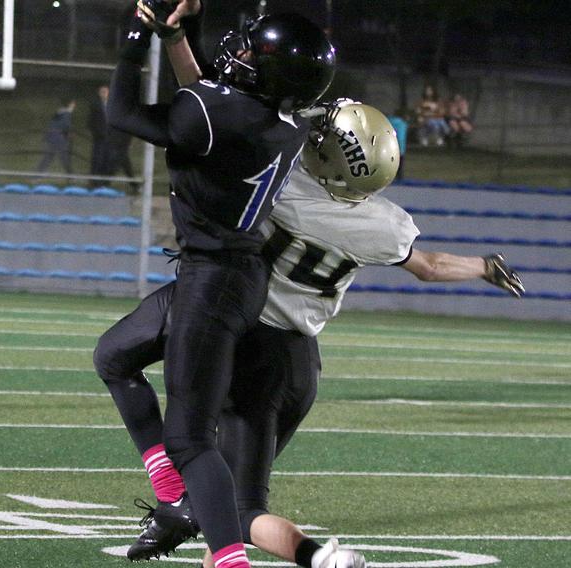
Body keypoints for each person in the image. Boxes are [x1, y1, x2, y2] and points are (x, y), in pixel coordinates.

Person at [95, 99, 525, 568]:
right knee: (239, 513)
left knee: (117, 361)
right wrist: (484, 266)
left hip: (222, 311)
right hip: (292, 362)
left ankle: (175, 493)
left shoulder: (286, 187)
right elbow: (430, 266)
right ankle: (320, 558)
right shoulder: (385, 224)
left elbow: (230, 138)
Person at [105, 2, 336, 567]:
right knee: (113, 354)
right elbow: (210, 92)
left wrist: (138, 34)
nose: (243, 52)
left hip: (213, 284)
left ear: (271, 73)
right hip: (227, 274)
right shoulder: (283, 123)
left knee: (190, 440)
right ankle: (166, 484)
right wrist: (183, 32)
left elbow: (122, 113)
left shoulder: (218, 114)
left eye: (255, 51)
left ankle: (228, 558)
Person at [36, 97, 76, 174]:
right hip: (58, 137)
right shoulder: (66, 113)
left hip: (51, 136)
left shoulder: (60, 112)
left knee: (49, 157)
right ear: (70, 104)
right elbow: (66, 125)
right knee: (64, 157)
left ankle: (36, 176)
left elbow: (54, 123)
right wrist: (70, 133)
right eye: (73, 103)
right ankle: (71, 175)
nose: (74, 105)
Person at [88, 85, 112, 184]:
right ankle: (94, 179)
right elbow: (91, 121)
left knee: (107, 158)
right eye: (102, 92)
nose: (104, 94)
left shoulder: (112, 105)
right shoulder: (95, 105)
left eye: (105, 92)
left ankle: (105, 180)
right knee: (97, 158)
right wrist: (95, 132)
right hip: (99, 136)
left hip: (110, 137)